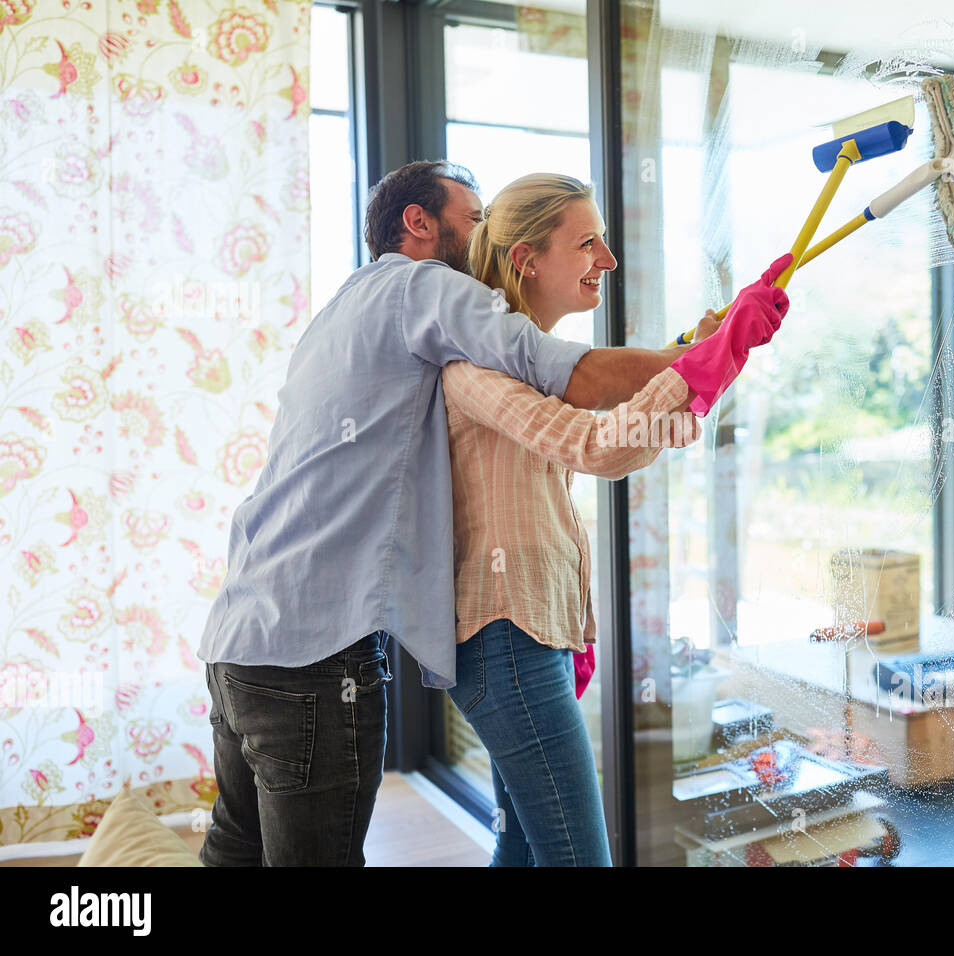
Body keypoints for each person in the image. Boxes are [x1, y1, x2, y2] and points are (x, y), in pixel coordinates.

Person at [196, 160, 710, 866]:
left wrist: (685, 365)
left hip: (239, 636)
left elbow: (594, 432)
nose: (482, 244)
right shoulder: (422, 290)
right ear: (419, 223)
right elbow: (573, 387)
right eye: (474, 223)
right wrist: (703, 360)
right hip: (316, 653)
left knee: (234, 848)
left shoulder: (343, 310)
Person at [440, 172, 791, 865]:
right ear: (526, 260)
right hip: (505, 639)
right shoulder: (473, 370)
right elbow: (596, 446)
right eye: (587, 243)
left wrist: (710, 350)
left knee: (525, 853)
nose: (608, 259)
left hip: (523, 636)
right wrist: (714, 359)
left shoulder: (524, 368)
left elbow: (616, 437)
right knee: (578, 857)